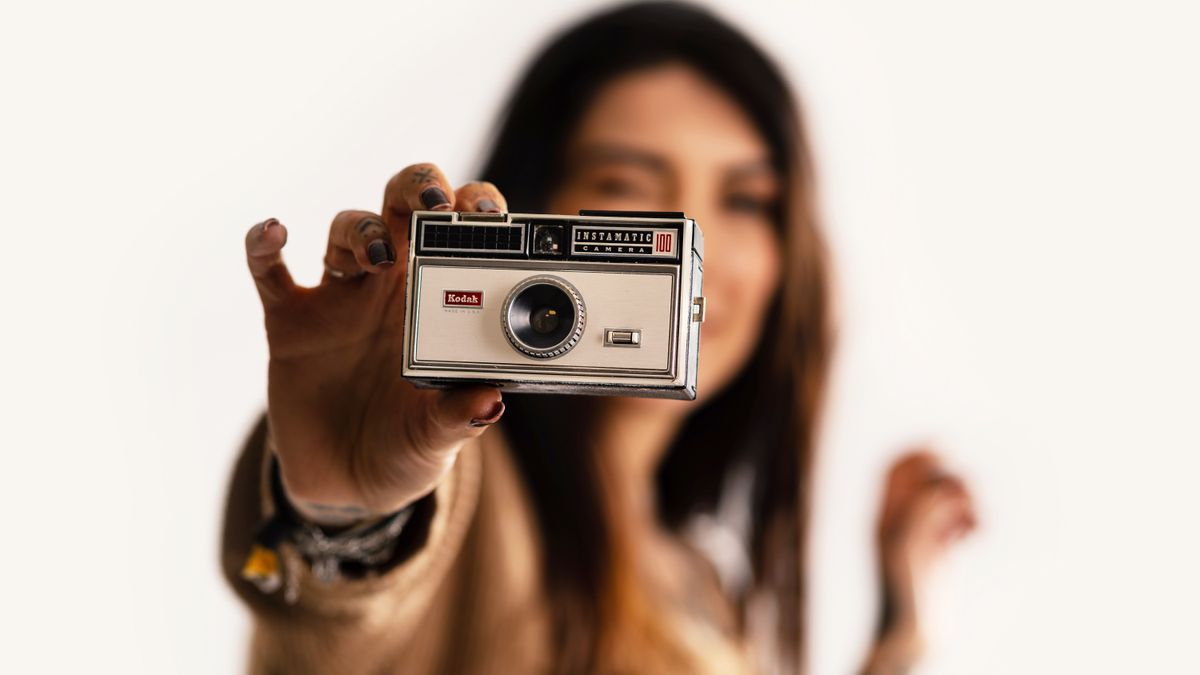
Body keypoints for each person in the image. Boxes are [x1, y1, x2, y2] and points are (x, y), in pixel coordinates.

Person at [223, 3, 976, 674]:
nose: (692, 244)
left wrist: (898, 638)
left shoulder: (701, 578)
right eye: (626, 185)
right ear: (528, 217)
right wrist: (341, 518)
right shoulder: (452, 491)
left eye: (746, 199)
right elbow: (323, 612)